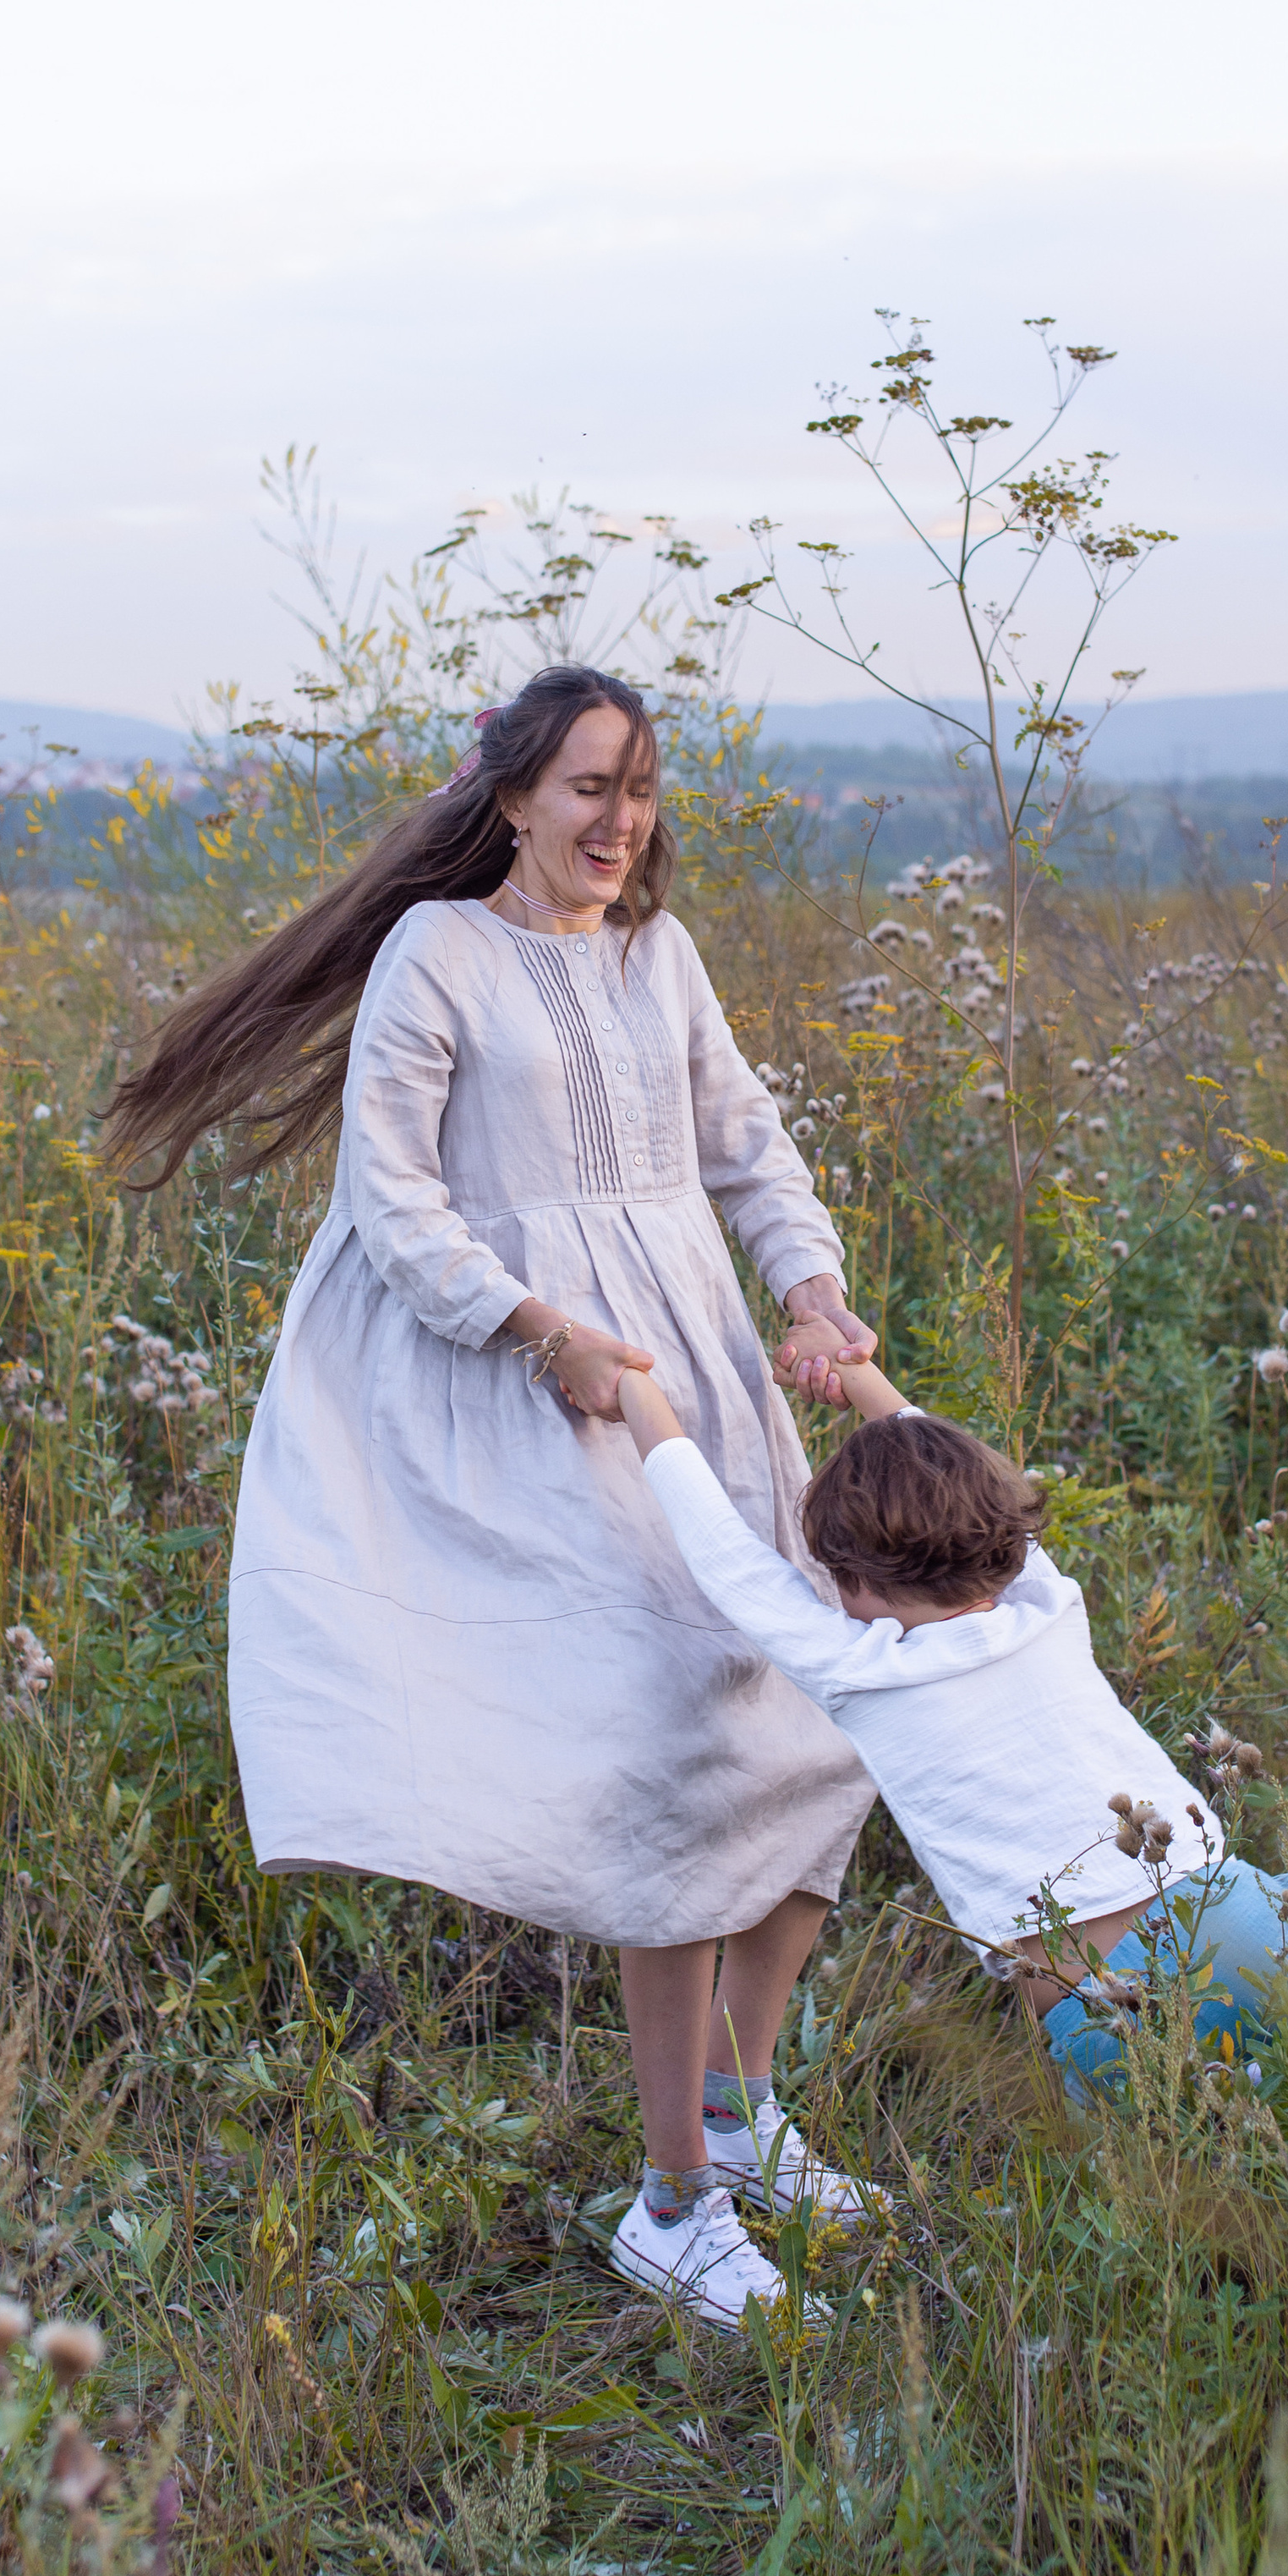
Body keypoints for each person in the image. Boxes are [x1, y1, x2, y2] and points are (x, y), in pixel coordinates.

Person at [105, 667, 882, 2332]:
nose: (618, 824)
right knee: (674, 1742)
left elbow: (743, 1144)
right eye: (587, 788)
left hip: (703, 1372)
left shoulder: (657, 956)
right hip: (546, 1393)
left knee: (820, 1719)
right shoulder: (437, 954)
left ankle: (735, 2118)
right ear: (513, 795)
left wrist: (809, 1295)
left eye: (640, 790)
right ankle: (670, 2205)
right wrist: (539, 1335)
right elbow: (388, 1201)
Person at [614, 1327, 1288, 2097]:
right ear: (1004, 1537)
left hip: (1090, 2009)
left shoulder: (857, 1665)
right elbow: (937, 1454)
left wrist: (637, 1396)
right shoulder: (1043, 1604)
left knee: (1221, 2168)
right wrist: (853, 1373)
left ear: (849, 1580)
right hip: (1222, 1916)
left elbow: (724, 1554)